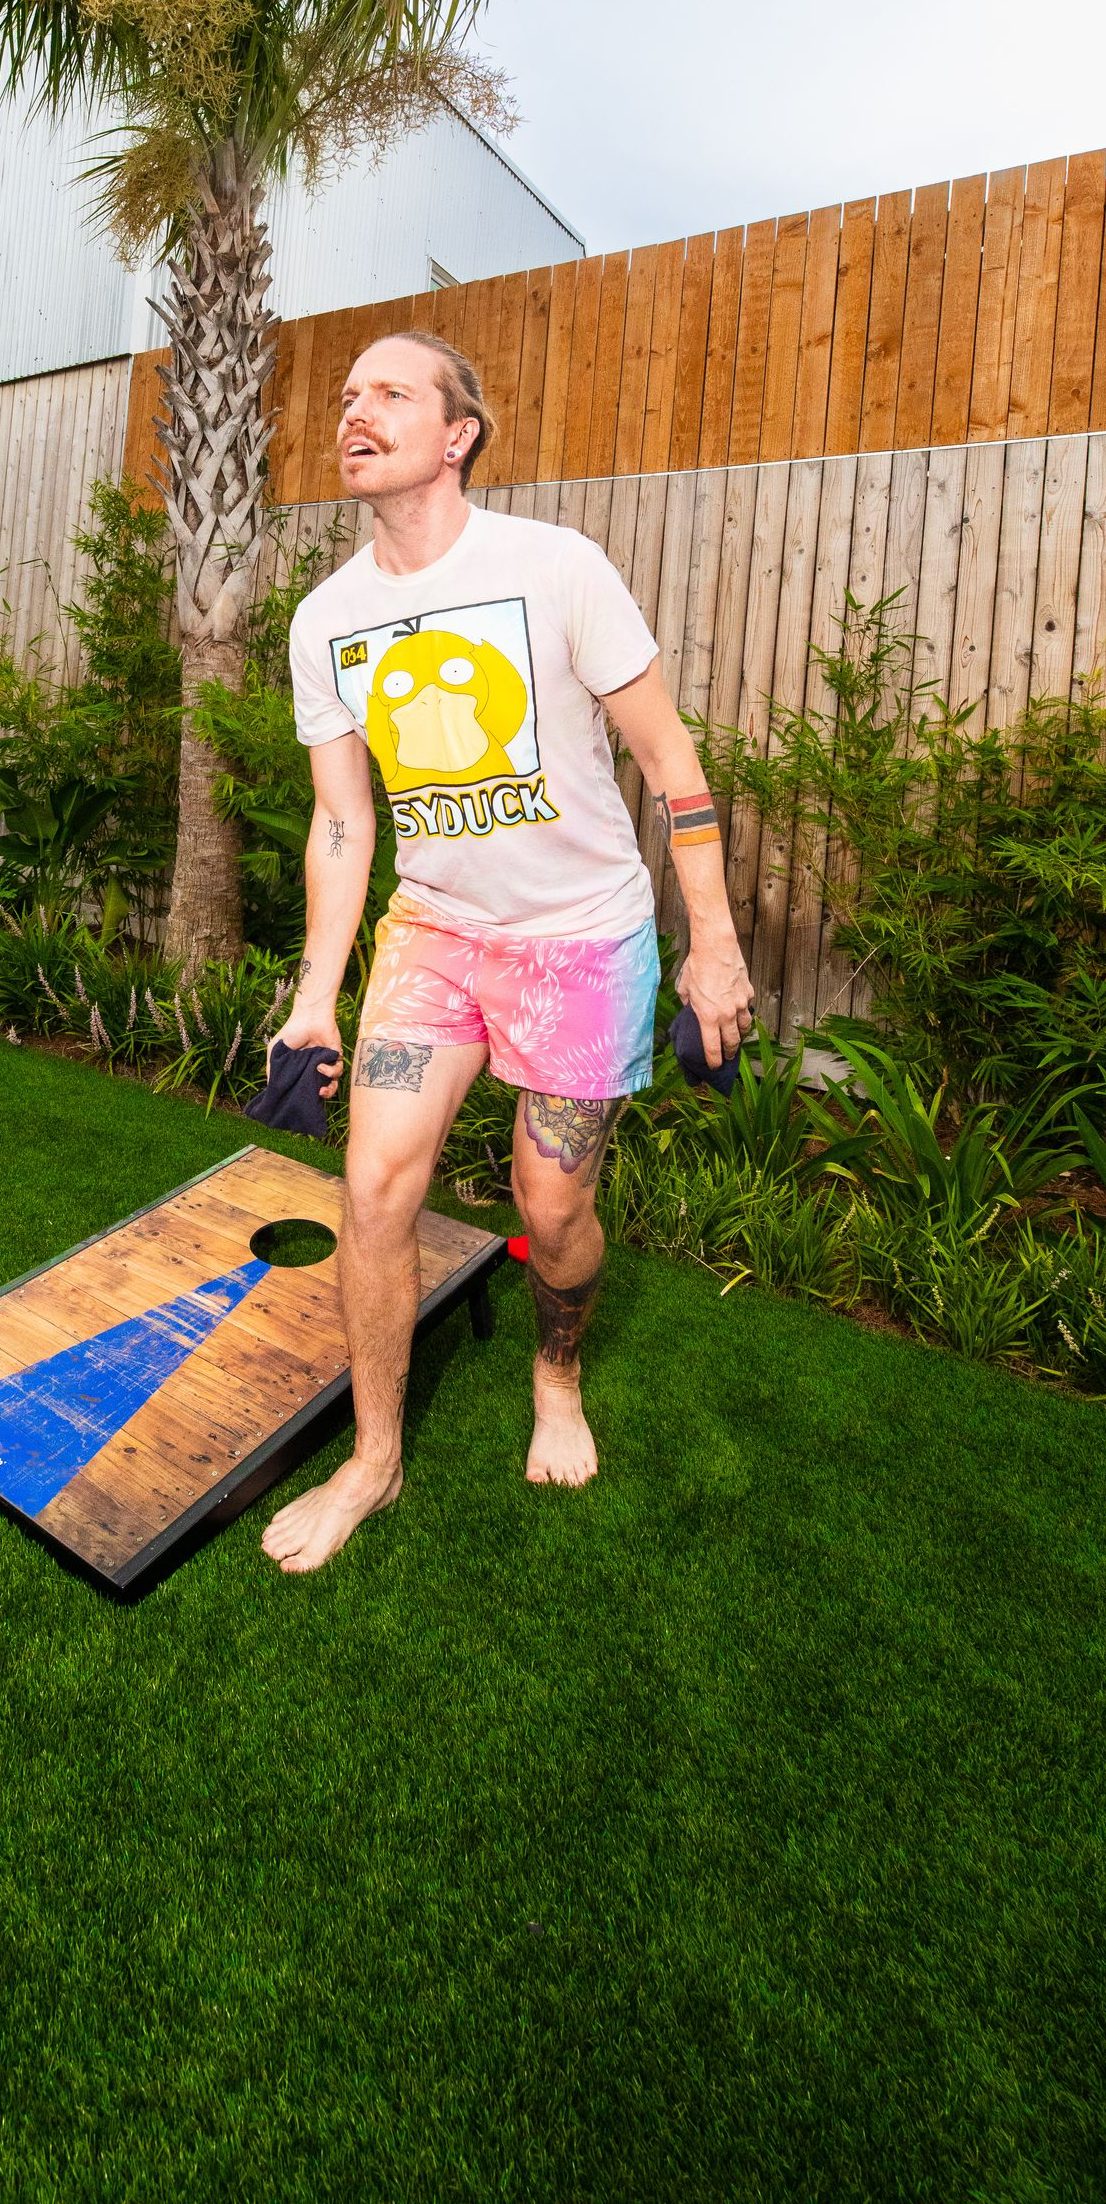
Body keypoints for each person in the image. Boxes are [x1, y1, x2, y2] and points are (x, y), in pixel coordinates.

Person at [260, 333, 754, 1576]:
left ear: (459, 431)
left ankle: (557, 1368)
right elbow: (342, 820)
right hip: (432, 933)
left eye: (390, 394)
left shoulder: (554, 568)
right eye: (347, 397)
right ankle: (373, 1462)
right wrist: (316, 997)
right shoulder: (328, 619)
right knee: (373, 1189)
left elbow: (673, 770)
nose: (354, 413)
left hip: (581, 940)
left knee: (552, 1205)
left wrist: (717, 949)